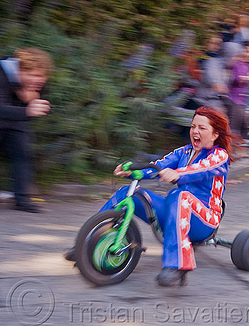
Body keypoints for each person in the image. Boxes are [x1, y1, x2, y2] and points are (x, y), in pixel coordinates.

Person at [65, 107, 232, 287]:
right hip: (178, 211)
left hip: (204, 220)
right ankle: (88, 242)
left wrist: (178, 174)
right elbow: (157, 166)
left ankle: (176, 266)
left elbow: (202, 169)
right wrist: (132, 172)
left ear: (215, 135)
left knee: (179, 194)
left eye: (202, 128)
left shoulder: (219, 155)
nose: (195, 131)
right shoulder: (184, 152)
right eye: (193, 127)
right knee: (129, 194)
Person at [0, 47, 53, 213]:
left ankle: (22, 200)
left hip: (14, 123)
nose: (40, 80)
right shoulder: (2, 73)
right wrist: (26, 109)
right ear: (20, 70)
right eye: (35, 75)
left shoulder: (37, 82)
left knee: (23, 153)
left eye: (43, 75)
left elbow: (42, 105)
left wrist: (32, 101)